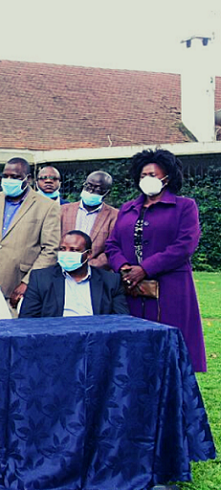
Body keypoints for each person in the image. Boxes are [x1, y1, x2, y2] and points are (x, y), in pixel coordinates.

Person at [105, 149, 206, 372]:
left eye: (152, 174)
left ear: (166, 178)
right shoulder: (128, 208)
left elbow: (184, 245)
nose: (147, 179)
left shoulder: (184, 206)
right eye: (143, 175)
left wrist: (145, 268)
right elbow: (112, 244)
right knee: (133, 350)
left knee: (169, 350)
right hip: (130, 286)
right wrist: (124, 267)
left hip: (171, 287)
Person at [0, 157, 61, 311]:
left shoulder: (47, 206)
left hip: (19, 286)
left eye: (15, 177)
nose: (9, 180)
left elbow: (50, 250)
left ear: (27, 179)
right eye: (6, 176)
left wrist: (28, 282)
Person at [19, 231, 128, 318]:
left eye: (74, 250)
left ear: (88, 254)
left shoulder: (110, 281)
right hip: (55, 338)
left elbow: (122, 320)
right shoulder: (41, 279)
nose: (67, 254)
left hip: (96, 339)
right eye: (62, 249)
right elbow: (27, 319)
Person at [60, 171, 118, 270]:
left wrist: (89, 265)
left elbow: (112, 248)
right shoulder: (63, 210)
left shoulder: (114, 216)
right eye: (88, 186)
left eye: (98, 188)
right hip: (62, 268)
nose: (91, 190)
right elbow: (53, 240)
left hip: (95, 272)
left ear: (107, 192)